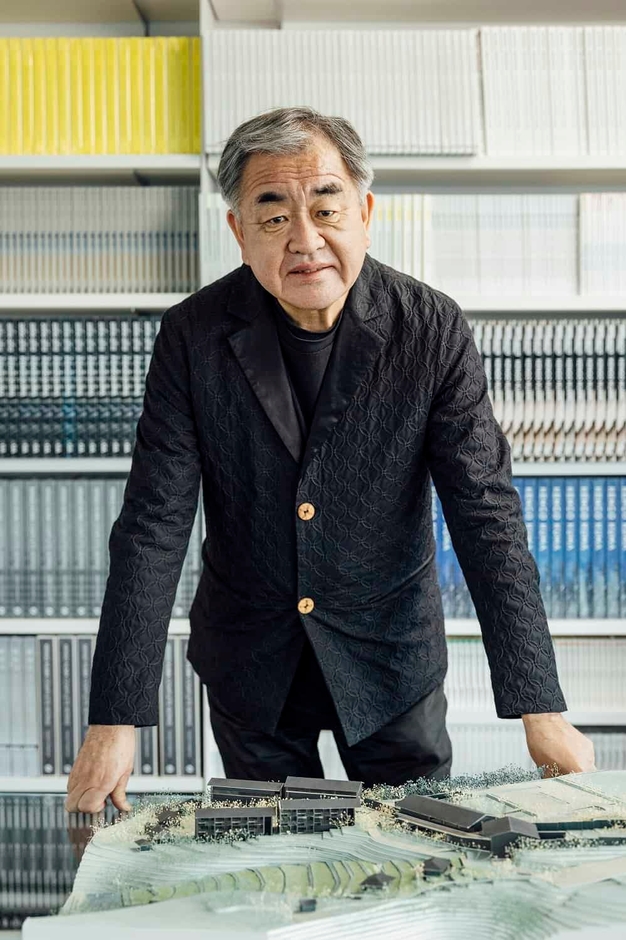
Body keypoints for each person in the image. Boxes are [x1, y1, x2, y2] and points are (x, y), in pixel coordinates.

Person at [65, 107, 594, 815]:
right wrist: (114, 718)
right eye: (274, 215)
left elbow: (485, 516)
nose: (305, 240)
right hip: (252, 663)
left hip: (390, 660)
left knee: (413, 856)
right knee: (271, 863)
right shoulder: (192, 336)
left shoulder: (430, 328)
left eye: (325, 208)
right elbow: (152, 526)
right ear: (239, 232)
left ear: (365, 214)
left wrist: (540, 708)